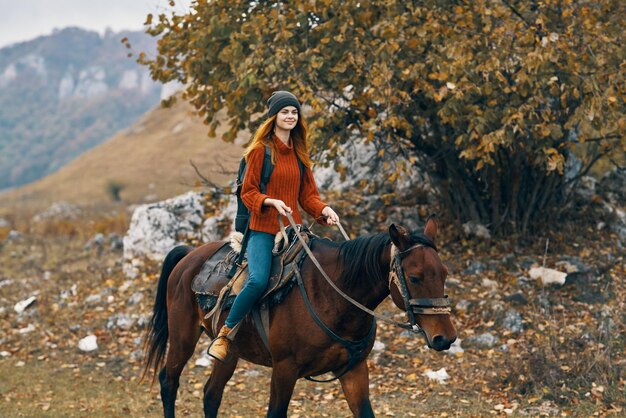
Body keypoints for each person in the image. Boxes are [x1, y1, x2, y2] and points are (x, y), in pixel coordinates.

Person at [209, 91, 340, 361]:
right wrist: (270, 201)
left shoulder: (299, 154)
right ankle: (225, 334)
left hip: (294, 231)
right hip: (263, 229)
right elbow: (248, 192)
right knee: (257, 280)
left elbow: (308, 197)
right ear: (274, 117)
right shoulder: (259, 152)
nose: (290, 116)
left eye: (294, 112)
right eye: (285, 112)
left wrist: (323, 209)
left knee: (319, 273)